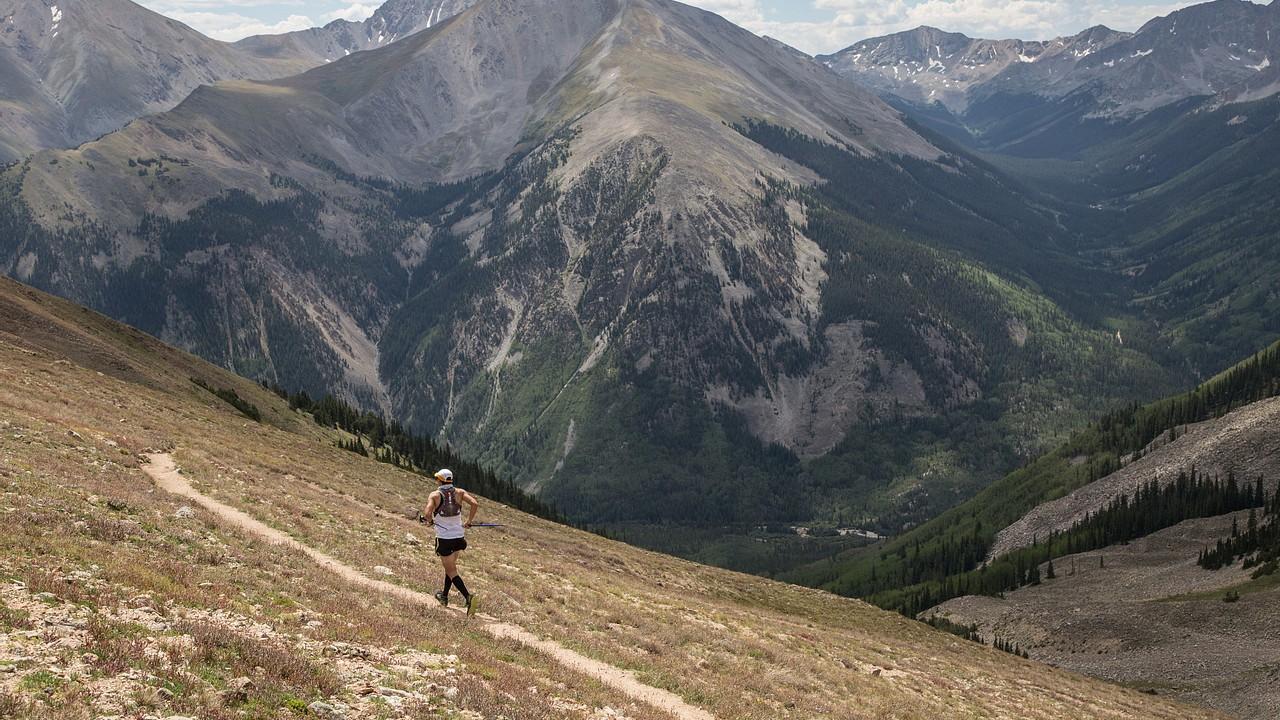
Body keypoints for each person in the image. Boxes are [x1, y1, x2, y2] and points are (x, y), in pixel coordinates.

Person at [423, 468, 480, 615]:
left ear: (439, 480)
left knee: (451, 570)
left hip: (444, 539)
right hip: (458, 537)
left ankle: (468, 597)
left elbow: (427, 513)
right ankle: (445, 596)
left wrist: (429, 521)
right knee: (450, 568)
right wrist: (469, 521)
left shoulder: (435, 495)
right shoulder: (460, 492)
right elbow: (474, 503)